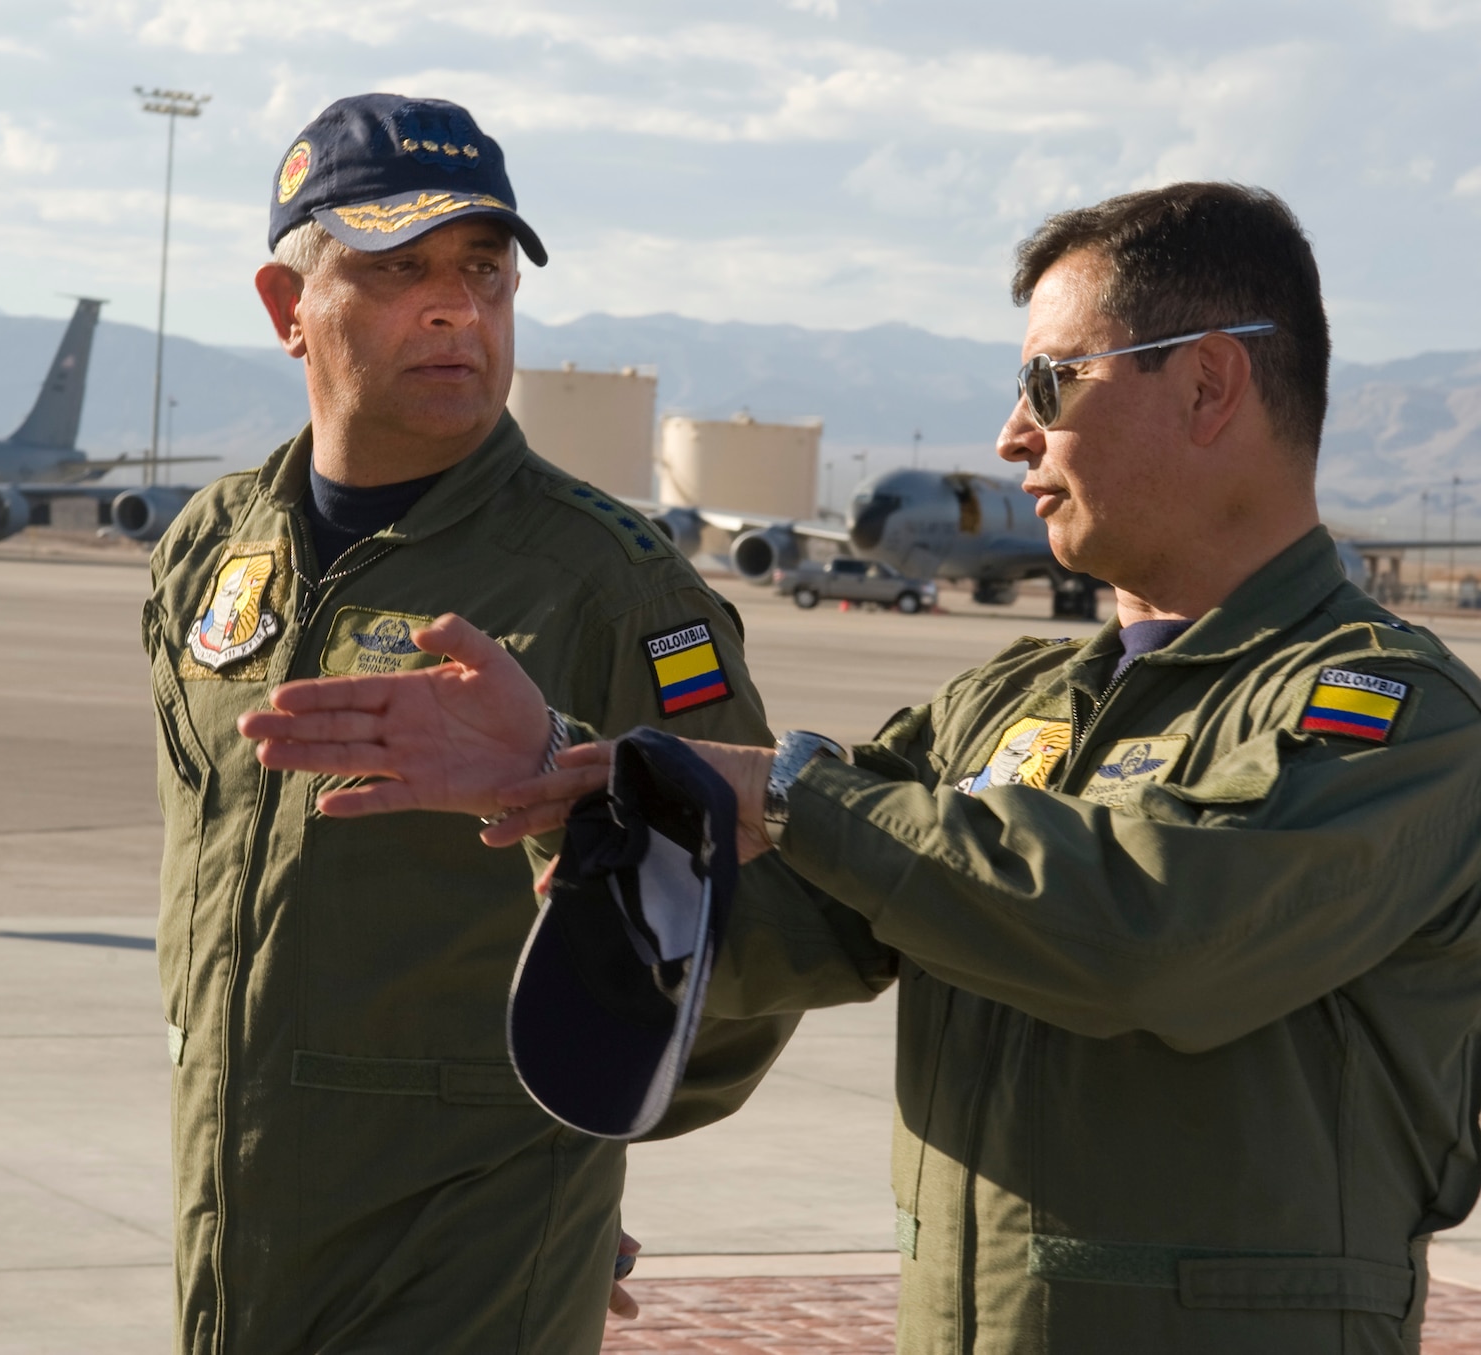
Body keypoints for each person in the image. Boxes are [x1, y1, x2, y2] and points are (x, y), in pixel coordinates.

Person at [238, 182, 1481, 1354]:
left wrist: (793, 794)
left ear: (1211, 382)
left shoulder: (1387, 715)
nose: (1011, 435)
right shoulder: (1010, 706)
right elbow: (786, 926)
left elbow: (1157, 929)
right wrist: (572, 784)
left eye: (1050, 381)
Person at [143, 92, 821, 1354]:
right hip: (236, 1208)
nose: (457, 307)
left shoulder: (614, 584)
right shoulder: (211, 549)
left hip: (465, 1239)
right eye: (399, 270)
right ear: (287, 308)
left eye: (484, 272)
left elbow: (750, 908)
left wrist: (592, 1144)